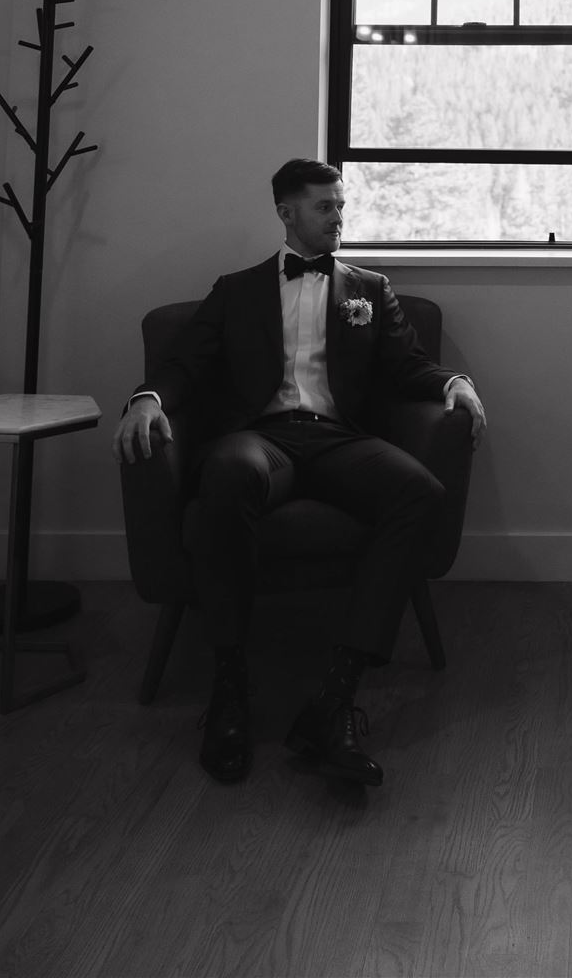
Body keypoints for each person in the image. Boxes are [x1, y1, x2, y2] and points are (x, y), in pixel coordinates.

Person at [112, 159, 486, 788]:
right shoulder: (235, 290)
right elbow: (187, 364)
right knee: (227, 475)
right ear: (287, 213)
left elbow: (408, 365)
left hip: (340, 439)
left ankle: (335, 700)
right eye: (324, 207)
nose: (339, 216)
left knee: (420, 492)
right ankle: (230, 686)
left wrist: (454, 381)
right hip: (261, 439)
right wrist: (148, 398)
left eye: (341, 204)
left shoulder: (369, 288)